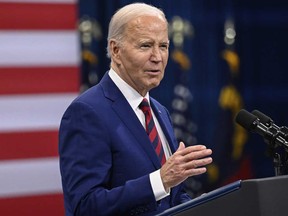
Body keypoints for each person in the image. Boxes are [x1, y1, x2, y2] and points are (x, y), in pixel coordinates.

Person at [59, 3, 213, 215]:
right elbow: (85, 207)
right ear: (116, 50)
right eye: (145, 46)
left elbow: (171, 197)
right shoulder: (87, 112)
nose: (157, 57)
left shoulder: (159, 111)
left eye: (163, 46)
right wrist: (159, 180)